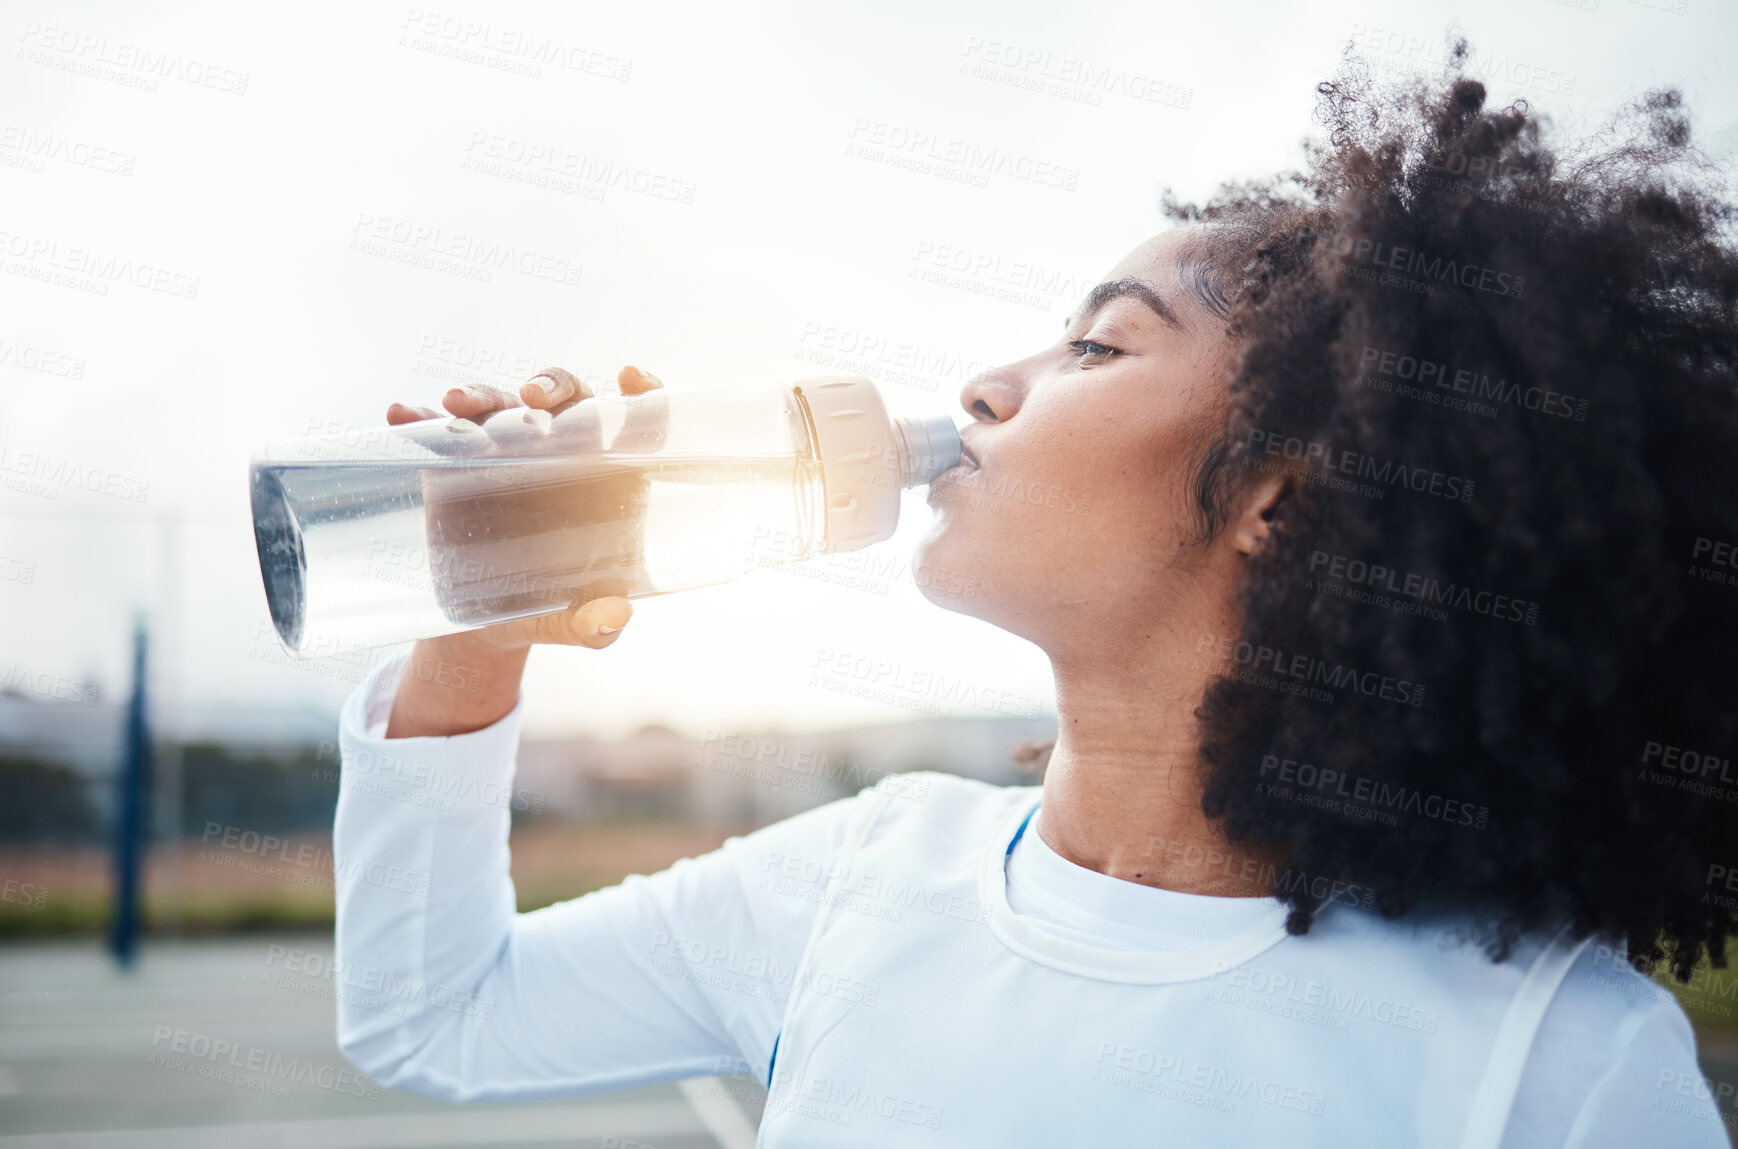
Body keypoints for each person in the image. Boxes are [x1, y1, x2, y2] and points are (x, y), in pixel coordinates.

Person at [330, 46, 1738, 1146]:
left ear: (1281, 498)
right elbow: (433, 1016)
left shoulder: (1554, 1063)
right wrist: (477, 636)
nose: (986, 388)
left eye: (1097, 346)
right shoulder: (859, 879)